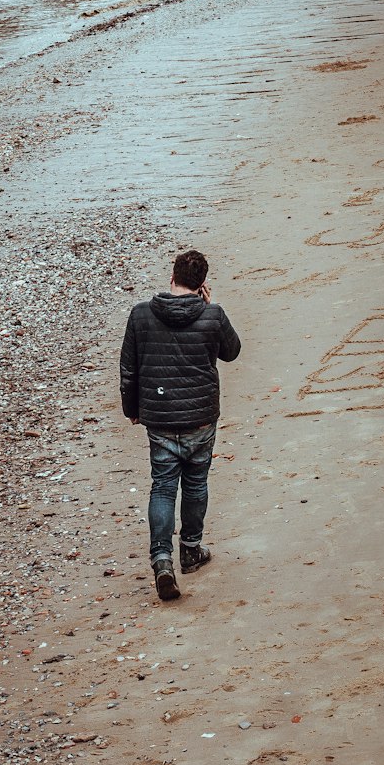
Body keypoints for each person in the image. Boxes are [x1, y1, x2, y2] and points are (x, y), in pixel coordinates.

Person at [119, 249, 241, 601]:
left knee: (162, 487)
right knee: (196, 483)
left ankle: (162, 560)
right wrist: (210, 306)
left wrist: (133, 409)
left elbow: (129, 369)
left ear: (171, 277)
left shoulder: (141, 314)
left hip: (159, 416)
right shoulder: (211, 314)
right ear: (202, 284)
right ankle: (190, 548)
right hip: (200, 416)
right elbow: (231, 351)